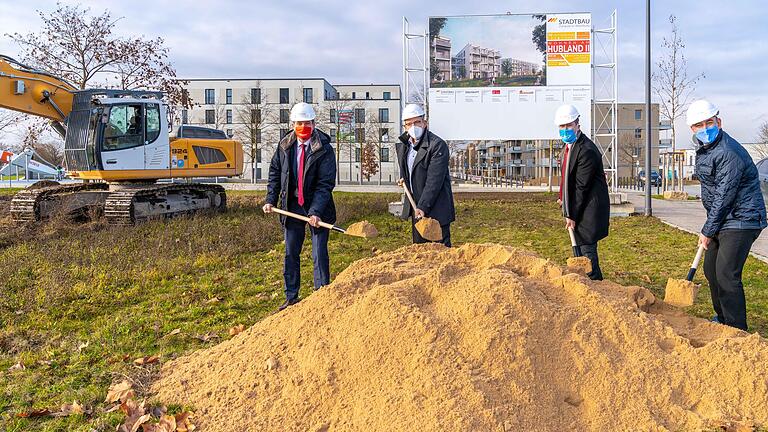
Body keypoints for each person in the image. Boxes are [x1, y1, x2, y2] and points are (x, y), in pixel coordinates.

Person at [687, 99, 767, 330]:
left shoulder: (728, 152)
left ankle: (736, 329)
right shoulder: (706, 149)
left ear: (718, 121)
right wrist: (711, 227)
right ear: (692, 129)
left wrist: (708, 230)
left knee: (726, 274)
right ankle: (722, 319)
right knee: (710, 270)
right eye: (698, 125)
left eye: (709, 122)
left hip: (743, 218)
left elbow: (724, 195)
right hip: (724, 218)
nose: (705, 128)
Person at [263, 102, 337, 311]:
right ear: (293, 124)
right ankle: (291, 296)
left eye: (307, 123)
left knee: (318, 251)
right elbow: (275, 174)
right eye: (299, 123)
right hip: (292, 206)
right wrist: (270, 199)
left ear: (314, 124)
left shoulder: (324, 149)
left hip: (318, 207)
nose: (303, 127)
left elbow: (325, 184)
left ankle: (322, 294)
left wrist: (315, 212)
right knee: (290, 251)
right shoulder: (284, 145)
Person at [555, 104, 610, 280]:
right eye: (562, 127)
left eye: (568, 125)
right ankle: (595, 283)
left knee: (587, 252)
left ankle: (595, 287)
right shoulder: (569, 146)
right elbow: (567, 177)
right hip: (580, 206)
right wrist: (562, 197)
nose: (565, 130)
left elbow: (581, 187)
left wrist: (570, 214)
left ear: (577, 124)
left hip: (589, 208)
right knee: (583, 249)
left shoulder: (586, 150)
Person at [395, 103, 455, 246]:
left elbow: (434, 181)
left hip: (435, 210)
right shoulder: (405, 146)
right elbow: (411, 170)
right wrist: (406, 180)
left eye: (417, 122)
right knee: (420, 253)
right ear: (405, 127)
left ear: (425, 123)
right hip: (417, 209)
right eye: (409, 124)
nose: (413, 127)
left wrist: (422, 206)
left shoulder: (437, 145)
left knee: (441, 255)